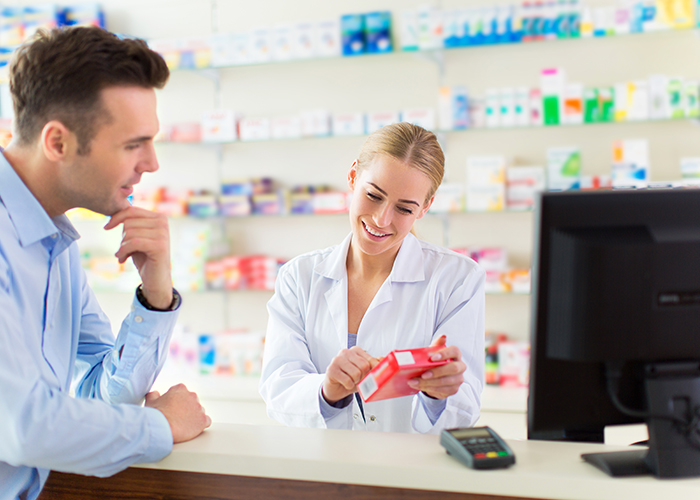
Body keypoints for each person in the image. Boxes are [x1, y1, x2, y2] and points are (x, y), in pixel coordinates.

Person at [0, 27, 211, 500]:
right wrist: (159, 425)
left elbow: (101, 392)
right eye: (133, 144)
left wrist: (156, 295)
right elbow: (22, 427)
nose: (151, 163)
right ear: (58, 143)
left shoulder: (54, 242)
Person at [259, 122, 485, 433]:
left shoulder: (457, 279)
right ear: (353, 177)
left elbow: (465, 404)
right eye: (374, 195)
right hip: (319, 470)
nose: (382, 219)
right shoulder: (299, 277)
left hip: (409, 471)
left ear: (425, 207)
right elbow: (278, 388)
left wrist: (437, 394)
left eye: (404, 209)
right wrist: (328, 391)